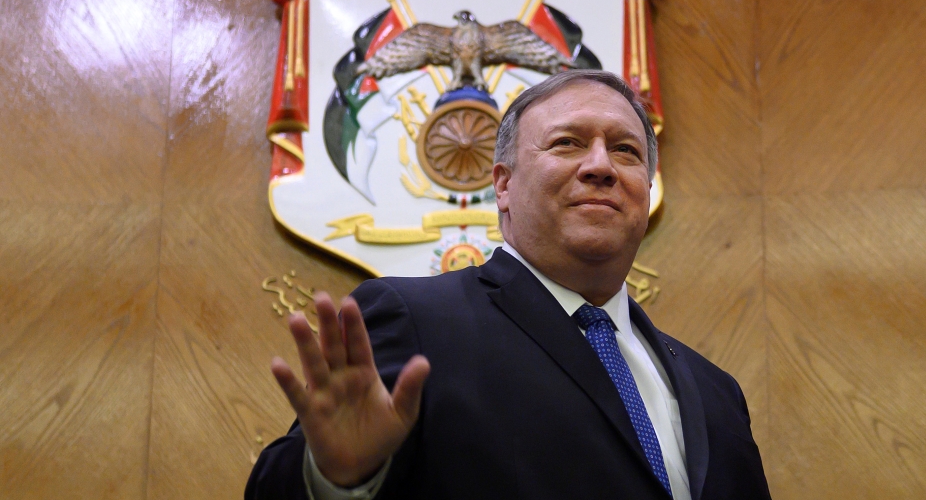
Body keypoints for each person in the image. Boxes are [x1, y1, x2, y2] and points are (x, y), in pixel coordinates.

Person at [246, 70, 771, 500]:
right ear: (503, 184)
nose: (600, 166)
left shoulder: (716, 391)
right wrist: (337, 479)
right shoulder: (417, 320)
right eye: (567, 144)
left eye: (626, 151)